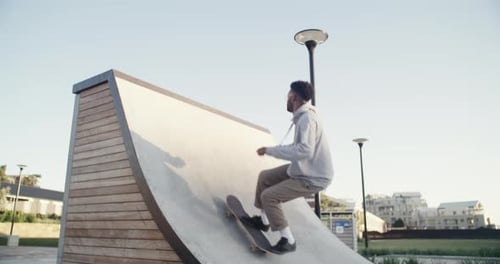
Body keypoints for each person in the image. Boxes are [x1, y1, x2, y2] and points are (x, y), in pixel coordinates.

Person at [242, 80, 334, 254]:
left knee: (269, 196)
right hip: (303, 169)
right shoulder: (303, 116)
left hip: (313, 177)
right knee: (265, 178)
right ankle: (264, 221)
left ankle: (288, 239)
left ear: (294, 97)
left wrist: (271, 151)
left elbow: (304, 150)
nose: (286, 99)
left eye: (288, 96)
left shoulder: (307, 119)